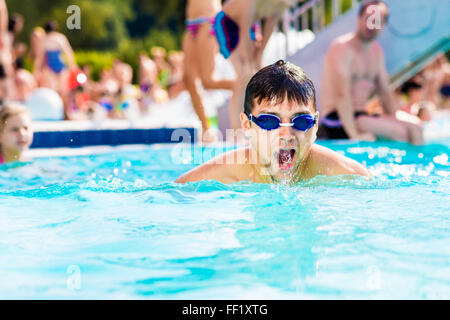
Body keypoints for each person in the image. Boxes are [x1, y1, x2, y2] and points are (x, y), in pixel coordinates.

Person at [176, 61, 371, 184]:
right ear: (247, 125)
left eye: (301, 121)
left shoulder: (345, 176)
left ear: (315, 125)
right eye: (269, 121)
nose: (286, 135)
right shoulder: (219, 176)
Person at [320, 1, 423, 145]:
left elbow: (385, 91)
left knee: (416, 128)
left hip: (362, 116)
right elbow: (341, 95)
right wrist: (353, 135)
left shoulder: (376, 51)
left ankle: (413, 165)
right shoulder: (342, 48)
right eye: (369, 18)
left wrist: (393, 118)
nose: (372, 24)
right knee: (398, 132)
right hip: (338, 118)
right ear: (359, 18)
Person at [215, 0, 302, 130]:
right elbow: (244, 29)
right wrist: (249, 61)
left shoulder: (282, 3)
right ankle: (236, 129)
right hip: (228, 23)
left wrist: (259, 55)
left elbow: (269, 26)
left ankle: (261, 123)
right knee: (244, 73)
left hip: (249, 25)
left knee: (260, 72)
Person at [183, 0, 235, 141]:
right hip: (191, 23)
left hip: (208, 20)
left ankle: (245, 85)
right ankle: (207, 131)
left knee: (208, 81)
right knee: (189, 80)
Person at [35, 20, 76, 118]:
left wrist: (36, 71)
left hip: (50, 67)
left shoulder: (44, 39)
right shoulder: (60, 37)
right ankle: (66, 112)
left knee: (54, 92)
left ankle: (58, 112)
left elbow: (40, 57)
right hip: (61, 66)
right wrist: (72, 66)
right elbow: (68, 53)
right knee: (64, 91)